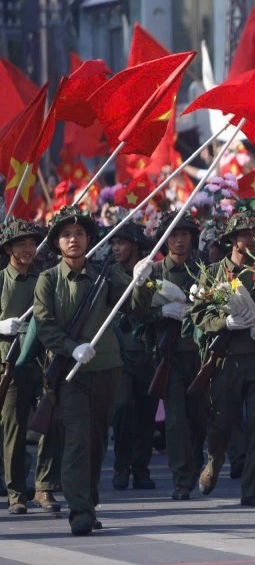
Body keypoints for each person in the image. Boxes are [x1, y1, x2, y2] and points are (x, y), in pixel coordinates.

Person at [33, 206, 154, 535]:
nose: (74, 239)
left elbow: (134, 308)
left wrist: (141, 282)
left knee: (99, 440)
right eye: (67, 235)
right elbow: (44, 326)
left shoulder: (105, 275)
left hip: (106, 369)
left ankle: (88, 499)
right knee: (77, 440)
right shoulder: (48, 279)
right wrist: (72, 348)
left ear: (89, 240)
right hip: (69, 373)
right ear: (58, 242)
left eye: (80, 234)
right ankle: (79, 511)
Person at [191, 209, 255, 508]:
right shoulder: (214, 272)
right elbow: (198, 314)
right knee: (221, 423)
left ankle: (250, 488)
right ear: (232, 240)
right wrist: (222, 323)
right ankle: (214, 461)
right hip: (225, 359)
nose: (252, 240)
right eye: (245, 235)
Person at [141, 212, 206, 500]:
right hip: (169, 355)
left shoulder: (204, 269)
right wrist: (159, 312)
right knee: (176, 419)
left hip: (201, 355)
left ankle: (194, 464)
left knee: (200, 419)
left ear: (192, 238)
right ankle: (182, 478)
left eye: (184, 235)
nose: (179, 241)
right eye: (173, 235)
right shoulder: (154, 273)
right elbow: (134, 313)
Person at [0, 218, 60, 515]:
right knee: (14, 427)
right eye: (21, 243)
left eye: (32, 243)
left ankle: (44, 487)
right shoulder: (1, 280)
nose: (28, 248)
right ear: (8, 247)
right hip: (10, 361)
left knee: (49, 422)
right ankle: (15, 492)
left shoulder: (45, 280)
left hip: (43, 360)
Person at [110, 221, 159, 491]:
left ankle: (141, 469)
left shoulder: (151, 273)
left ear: (136, 246)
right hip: (120, 354)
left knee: (145, 413)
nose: (117, 248)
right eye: (114, 243)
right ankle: (121, 465)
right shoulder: (107, 275)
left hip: (148, 353)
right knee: (123, 407)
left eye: (122, 242)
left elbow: (152, 308)